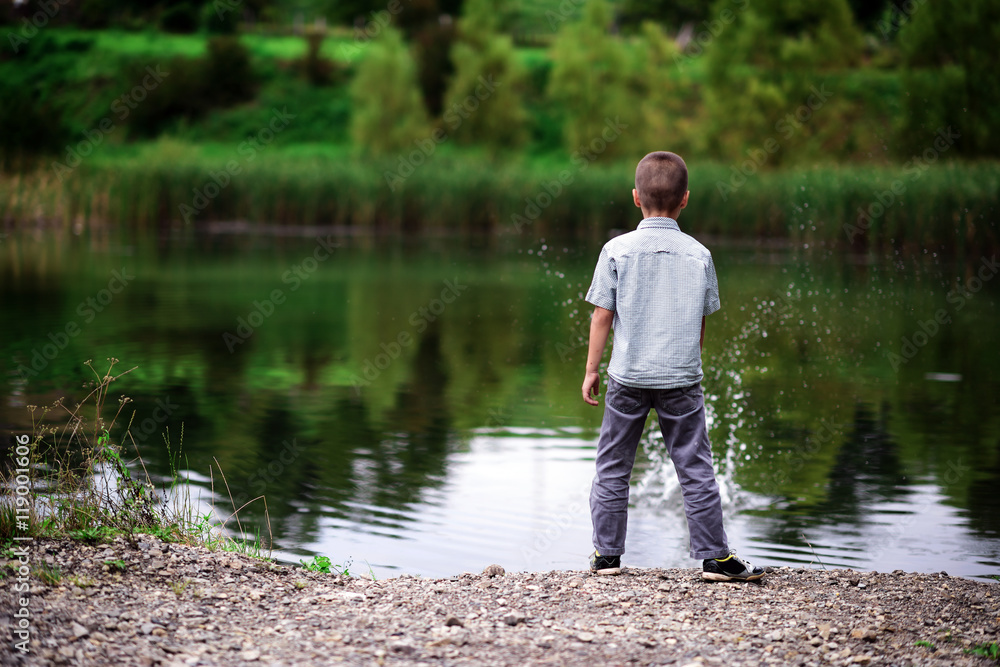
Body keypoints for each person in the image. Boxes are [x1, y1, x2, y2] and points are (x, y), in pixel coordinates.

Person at [581, 151, 764, 582]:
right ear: (685, 199)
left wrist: (592, 369)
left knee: (612, 467)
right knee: (695, 468)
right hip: (681, 379)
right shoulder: (699, 254)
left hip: (627, 376)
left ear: (635, 198)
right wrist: (689, 362)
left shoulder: (616, 250)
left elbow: (602, 315)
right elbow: (700, 322)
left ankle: (607, 556)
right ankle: (715, 559)